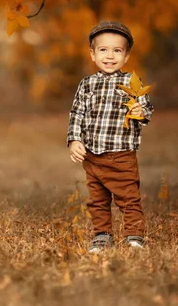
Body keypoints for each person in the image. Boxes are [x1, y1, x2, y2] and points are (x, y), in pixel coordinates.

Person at [66, 21, 154, 252]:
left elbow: (146, 109)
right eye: (103, 50)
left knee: (128, 198)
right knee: (97, 200)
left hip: (121, 155)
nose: (110, 56)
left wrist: (140, 112)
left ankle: (134, 236)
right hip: (92, 156)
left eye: (117, 50)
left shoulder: (131, 83)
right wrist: (75, 139)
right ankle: (102, 236)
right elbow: (77, 113)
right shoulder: (87, 84)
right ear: (93, 55)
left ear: (126, 57)